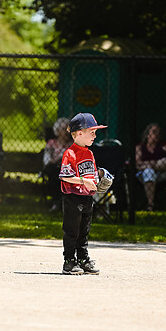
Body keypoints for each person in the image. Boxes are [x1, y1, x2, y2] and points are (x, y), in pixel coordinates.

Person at [59, 112, 107, 275]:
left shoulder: (89, 153)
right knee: (72, 230)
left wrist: (98, 178)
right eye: (92, 132)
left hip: (87, 198)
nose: (95, 135)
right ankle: (69, 261)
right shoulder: (70, 153)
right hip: (73, 198)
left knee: (84, 231)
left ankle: (83, 259)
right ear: (79, 133)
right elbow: (65, 176)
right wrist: (83, 181)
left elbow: (91, 174)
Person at [43, 117, 72, 211]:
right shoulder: (51, 143)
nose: (67, 131)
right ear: (58, 131)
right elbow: (47, 160)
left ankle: (64, 202)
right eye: (64, 129)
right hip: (54, 168)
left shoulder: (73, 144)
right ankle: (57, 202)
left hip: (69, 169)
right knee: (54, 172)